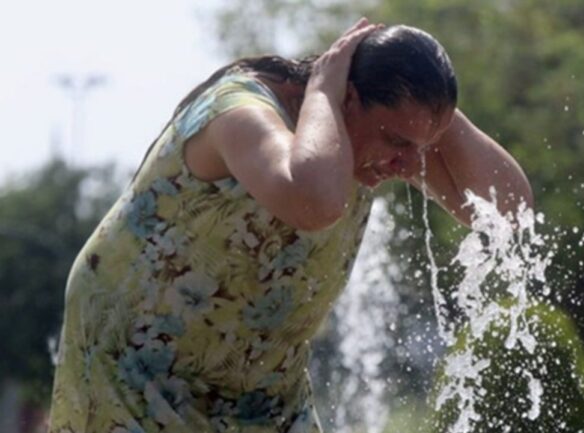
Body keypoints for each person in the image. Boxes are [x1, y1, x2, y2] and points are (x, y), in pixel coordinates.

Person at [48, 18, 532, 433]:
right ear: (349, 98)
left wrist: (436, 113)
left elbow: (508, 210)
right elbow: (314, 200)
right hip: (136, 363)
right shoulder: (240, 111)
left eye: (419, 146)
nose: (406, 164)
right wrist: (324, 87)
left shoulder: (377, 140)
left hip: (260, 382)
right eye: (394, 139)